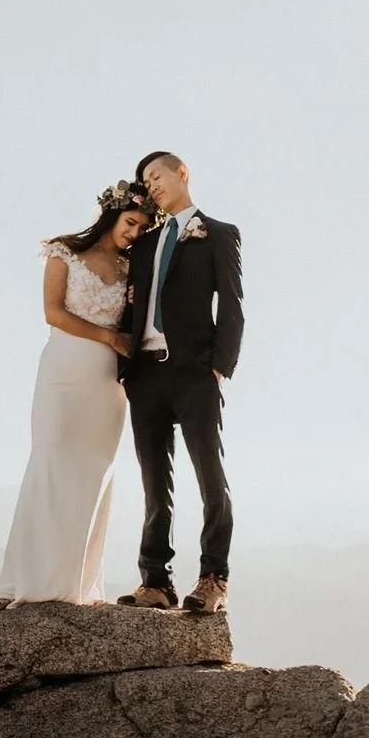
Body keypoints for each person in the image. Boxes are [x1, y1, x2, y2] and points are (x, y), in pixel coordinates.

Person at [0, 179, 159, 610]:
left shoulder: (131, 270)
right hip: (64, 371)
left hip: (107, 385)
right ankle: (28, 582)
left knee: (94, 474)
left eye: (141, 229)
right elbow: (53, 313)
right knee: (51, 462)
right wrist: (110, 336)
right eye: (130, 223)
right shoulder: (65, 251)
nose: (133, 234)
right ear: (111, 215)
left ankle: (77, 586)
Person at [114, 150, 244, 614]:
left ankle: (213, 578)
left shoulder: (218, 235)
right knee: (154, 481)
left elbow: (231, 305)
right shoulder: (143, 244)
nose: (151, 185)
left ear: (181, 172)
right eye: (145, 182)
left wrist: (218, 366)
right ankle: (156, 582)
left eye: (156, 176)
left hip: (195, 374)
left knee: (210, 475)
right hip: (145, 374)